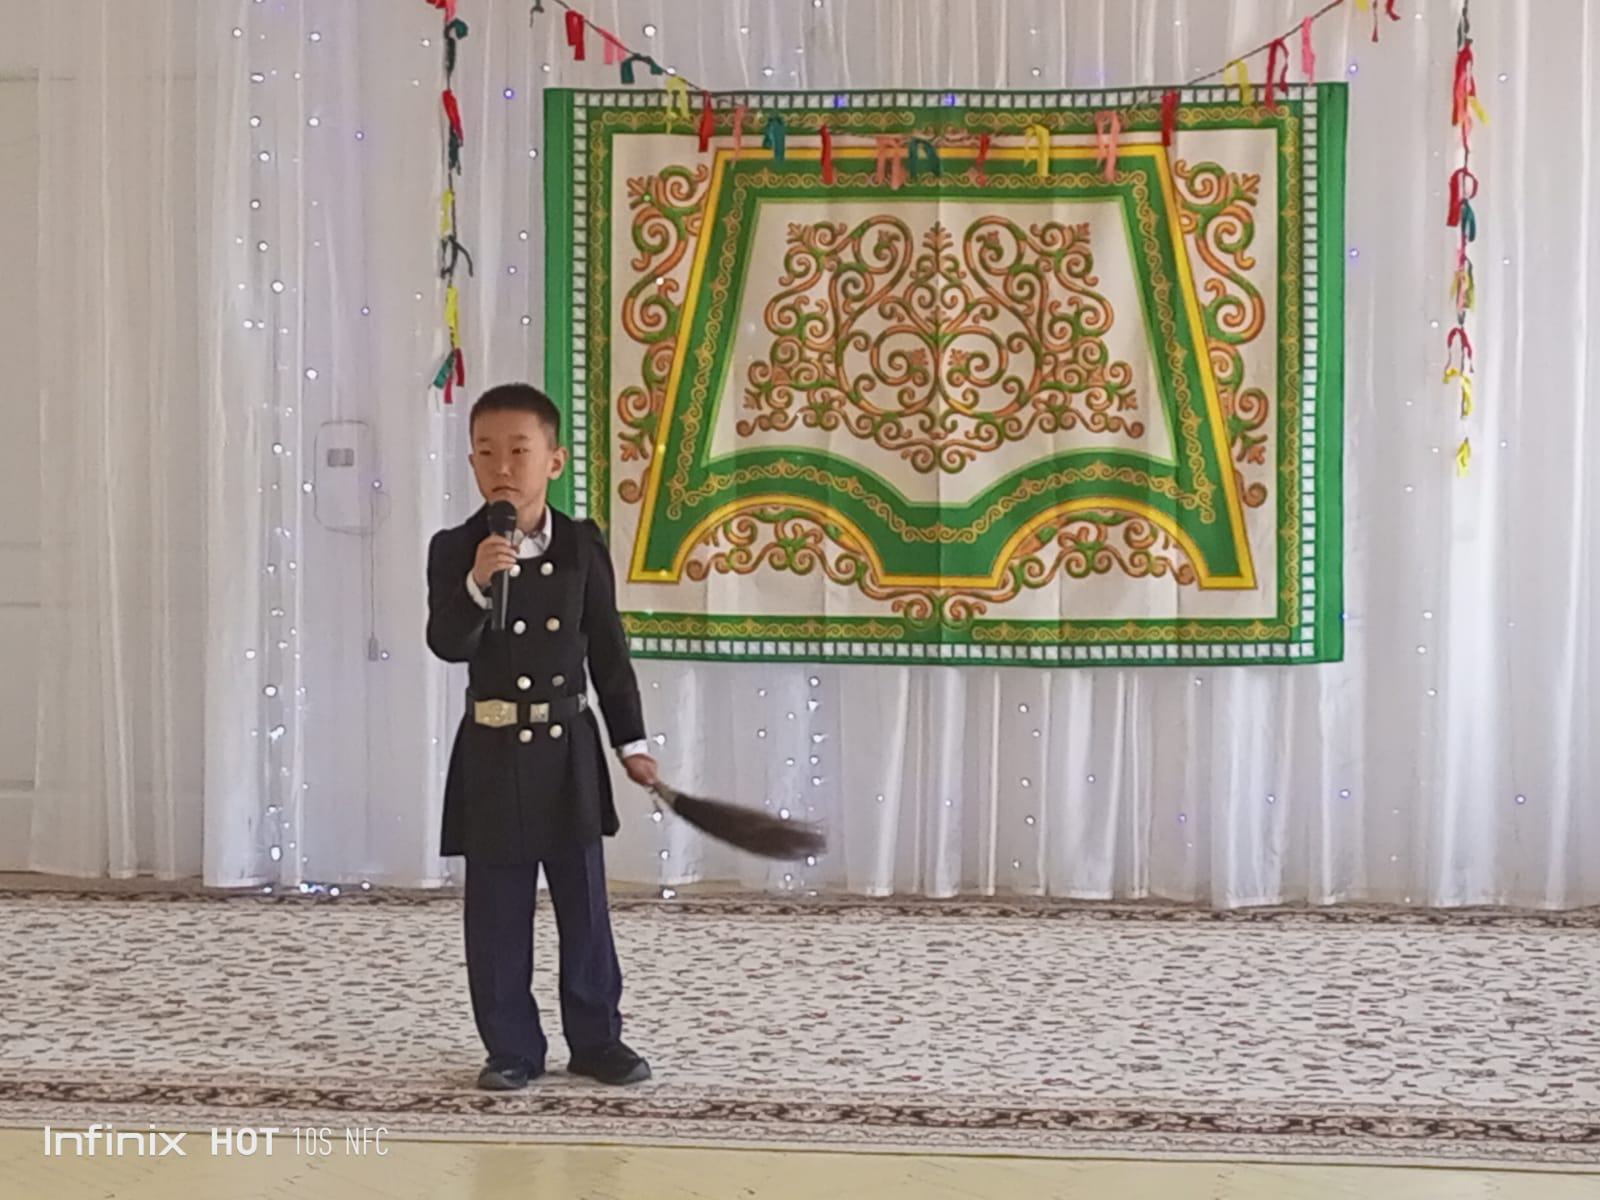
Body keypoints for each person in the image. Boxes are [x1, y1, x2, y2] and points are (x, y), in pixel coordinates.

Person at [426, 382, 658, 1091]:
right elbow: (447, 643)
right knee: (497, 912)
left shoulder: (583, 545)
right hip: (493, 749)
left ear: (553, 460)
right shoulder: (457, 548)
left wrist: (631, 744)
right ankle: (511, 1047)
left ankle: (597, 1039)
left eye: (519, 450)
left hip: (566, 752)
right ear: (471, 462)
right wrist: (476, 584)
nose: (502, 466)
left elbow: (608, 653)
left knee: (584, 904)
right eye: (486, 451)